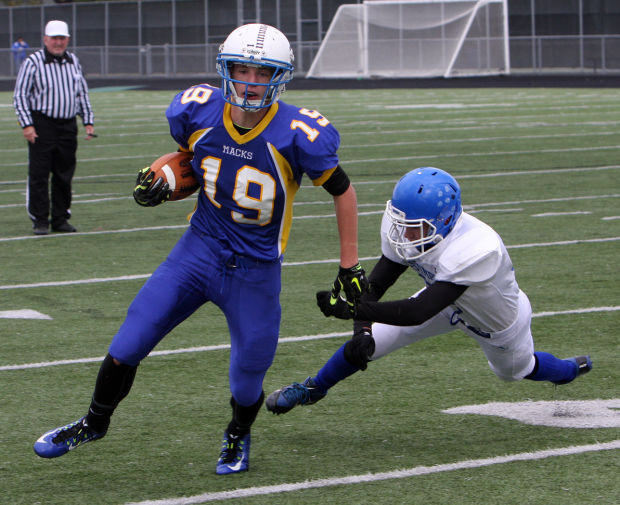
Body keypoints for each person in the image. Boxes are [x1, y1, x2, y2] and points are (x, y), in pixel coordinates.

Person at [32, 23, 366, 476]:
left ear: (279, 77)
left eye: (261, 72)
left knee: (248, 377)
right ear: (224, 70)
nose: (249, 81)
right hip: (198, 251)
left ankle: (236, 434)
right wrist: (160, 185)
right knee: (128, 342)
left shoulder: (296, 132)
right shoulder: (199, 111)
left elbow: (342, 192)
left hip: (255, 269)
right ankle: (94, 422)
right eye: (240, 69)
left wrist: (349, 266)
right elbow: (188, 165)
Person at [266, 167, 593, 417]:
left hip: (495, 321)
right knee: (366, 345)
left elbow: (417, 312)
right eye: (402, 223)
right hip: (443, 301)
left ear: (445, 220)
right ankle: (313, 388)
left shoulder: (478, 247)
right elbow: (377, 285)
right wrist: (362, 330)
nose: (405, 234)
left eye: (415, 228)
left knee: (517, 371)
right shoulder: (406, 225)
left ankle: (566, 371)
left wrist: (352, 311)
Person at [13, 20, 96, 236]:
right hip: (42, 123)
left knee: (64, 173)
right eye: (54, 38)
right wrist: (27, 125)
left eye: (62, 38)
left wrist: (87, 121)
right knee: (39, 173)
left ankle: (60, 218)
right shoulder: (33, 62)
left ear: (67, 39)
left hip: (67, 125)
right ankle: (40, 220)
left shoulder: (73, 61)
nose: (58, 42)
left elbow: (82, 93)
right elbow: (20, 95)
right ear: (46, 39)